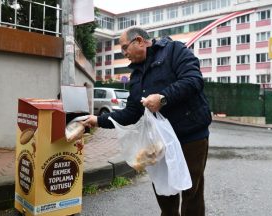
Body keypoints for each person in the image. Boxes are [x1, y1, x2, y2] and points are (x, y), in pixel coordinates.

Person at [83, 27, 211, 216]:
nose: (124, 54)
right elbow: (131, 113)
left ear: (140, 41)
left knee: (191, 190)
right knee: (164, 191)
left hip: (190, 135)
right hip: (159, 142)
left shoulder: (174, 50)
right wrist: (97, 120)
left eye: (125, 48)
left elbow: (193, 80)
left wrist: (163, 98)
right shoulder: (136, 75)